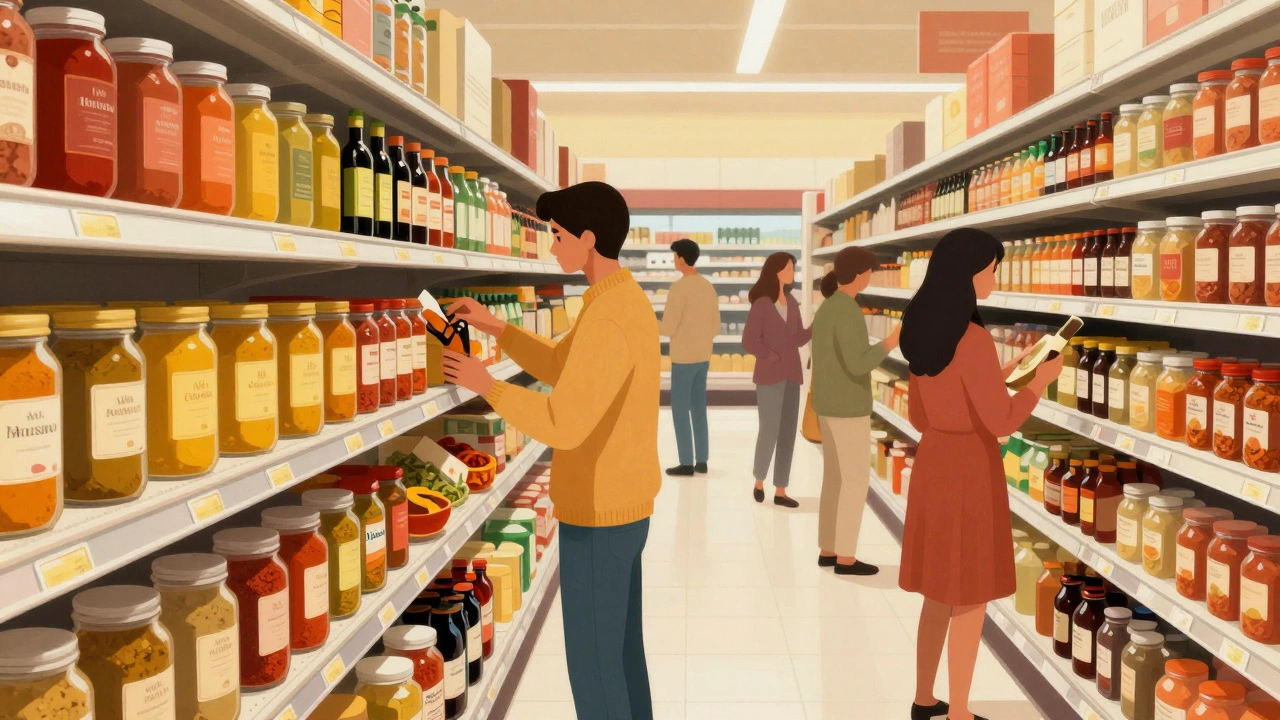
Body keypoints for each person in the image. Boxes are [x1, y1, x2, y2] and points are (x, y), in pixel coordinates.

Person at [441, 181, 659, 720]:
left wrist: (485, 382)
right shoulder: (616, 299)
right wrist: (498, 328)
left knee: (593, 664)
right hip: (625, 506)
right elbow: (566, 368)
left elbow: (564, 422)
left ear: (588, 238)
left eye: (557, 236)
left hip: (598, 510)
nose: (551, 246)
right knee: (623, 655)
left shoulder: (607, 316)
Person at [897, 229, 1061, 720]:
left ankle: (925, 700)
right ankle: (961, 712)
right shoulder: (974, 339)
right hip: (970, 470)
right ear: (966, 275)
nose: (993, 277)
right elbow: (1002, 422)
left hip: (933, 465)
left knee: (936, 594)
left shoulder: (922, 329)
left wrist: (1004, 371)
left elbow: (921, 419)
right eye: (990, 269)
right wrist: (1037, 385)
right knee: (969, 597)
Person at [810, 246, 900, 576]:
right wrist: (890, 342)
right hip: (848, 407)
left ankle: (828, 549)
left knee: (834, 479)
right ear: (860, 274)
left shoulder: (828, 307)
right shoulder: (848, 309)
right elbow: (858, 362)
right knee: (855, 481)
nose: (871, 276)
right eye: (870, 271)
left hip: (826, 403)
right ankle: (846, 557)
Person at [741, 252, 810, 508]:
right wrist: (768, 355)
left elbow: (798, 338)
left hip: (792, 373)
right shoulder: (761, 303)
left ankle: (781, 489)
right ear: (776, 271)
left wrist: (815, 328)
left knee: (788, 432)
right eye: (789, 267)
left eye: (793, 267)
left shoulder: (792, 302)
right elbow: (748, 341)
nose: (792, 271)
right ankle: (759, 479)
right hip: (770, 375)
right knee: (769, 429)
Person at [660, 238, 720, 476]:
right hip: (703, 356)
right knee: (698, 407)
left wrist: (649, 324)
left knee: (679, 409)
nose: (674, 260)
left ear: (682, 258)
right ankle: (702, 460)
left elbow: (668, 328)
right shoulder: (708, 286)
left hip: (683, 357)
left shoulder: (679, 288)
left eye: (675, 256)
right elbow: (716, 326)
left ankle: (686, 462)